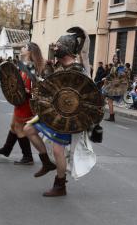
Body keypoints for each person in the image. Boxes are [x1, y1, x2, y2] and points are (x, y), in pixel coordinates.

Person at [23, 28, 96, 197]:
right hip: (53, 112)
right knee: (28, 129)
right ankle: (46, 163)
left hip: (67, 117)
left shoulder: (77, 70)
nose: (56, 48)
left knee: (58, 151)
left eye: (59, 45)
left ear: (68, 49)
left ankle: (60, 184)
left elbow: (85, 96)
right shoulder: (59, 67)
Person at [0, 42, 45, 165]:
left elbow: (36, 88)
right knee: (13, 125)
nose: (22, 48)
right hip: (20, 101)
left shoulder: (32, 67)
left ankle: (27, 157)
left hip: (26, 102)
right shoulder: (24, 65)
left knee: (19, 128)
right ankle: (7, 149)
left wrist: (26, 90)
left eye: (25, 47)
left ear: (30, 51)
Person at [102, 53, 130, 122]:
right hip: (111, 85)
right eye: (114, 59)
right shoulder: (115, 66)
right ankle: (110, 115)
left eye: (116, 59)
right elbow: (112, 75)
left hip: (114, 87)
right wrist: (106, 78)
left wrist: (106, 78)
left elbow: (118, 76)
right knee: (106, 99)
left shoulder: (120, 66)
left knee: (109, 101)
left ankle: (111, 116)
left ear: (119, 59)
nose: (115, 60)